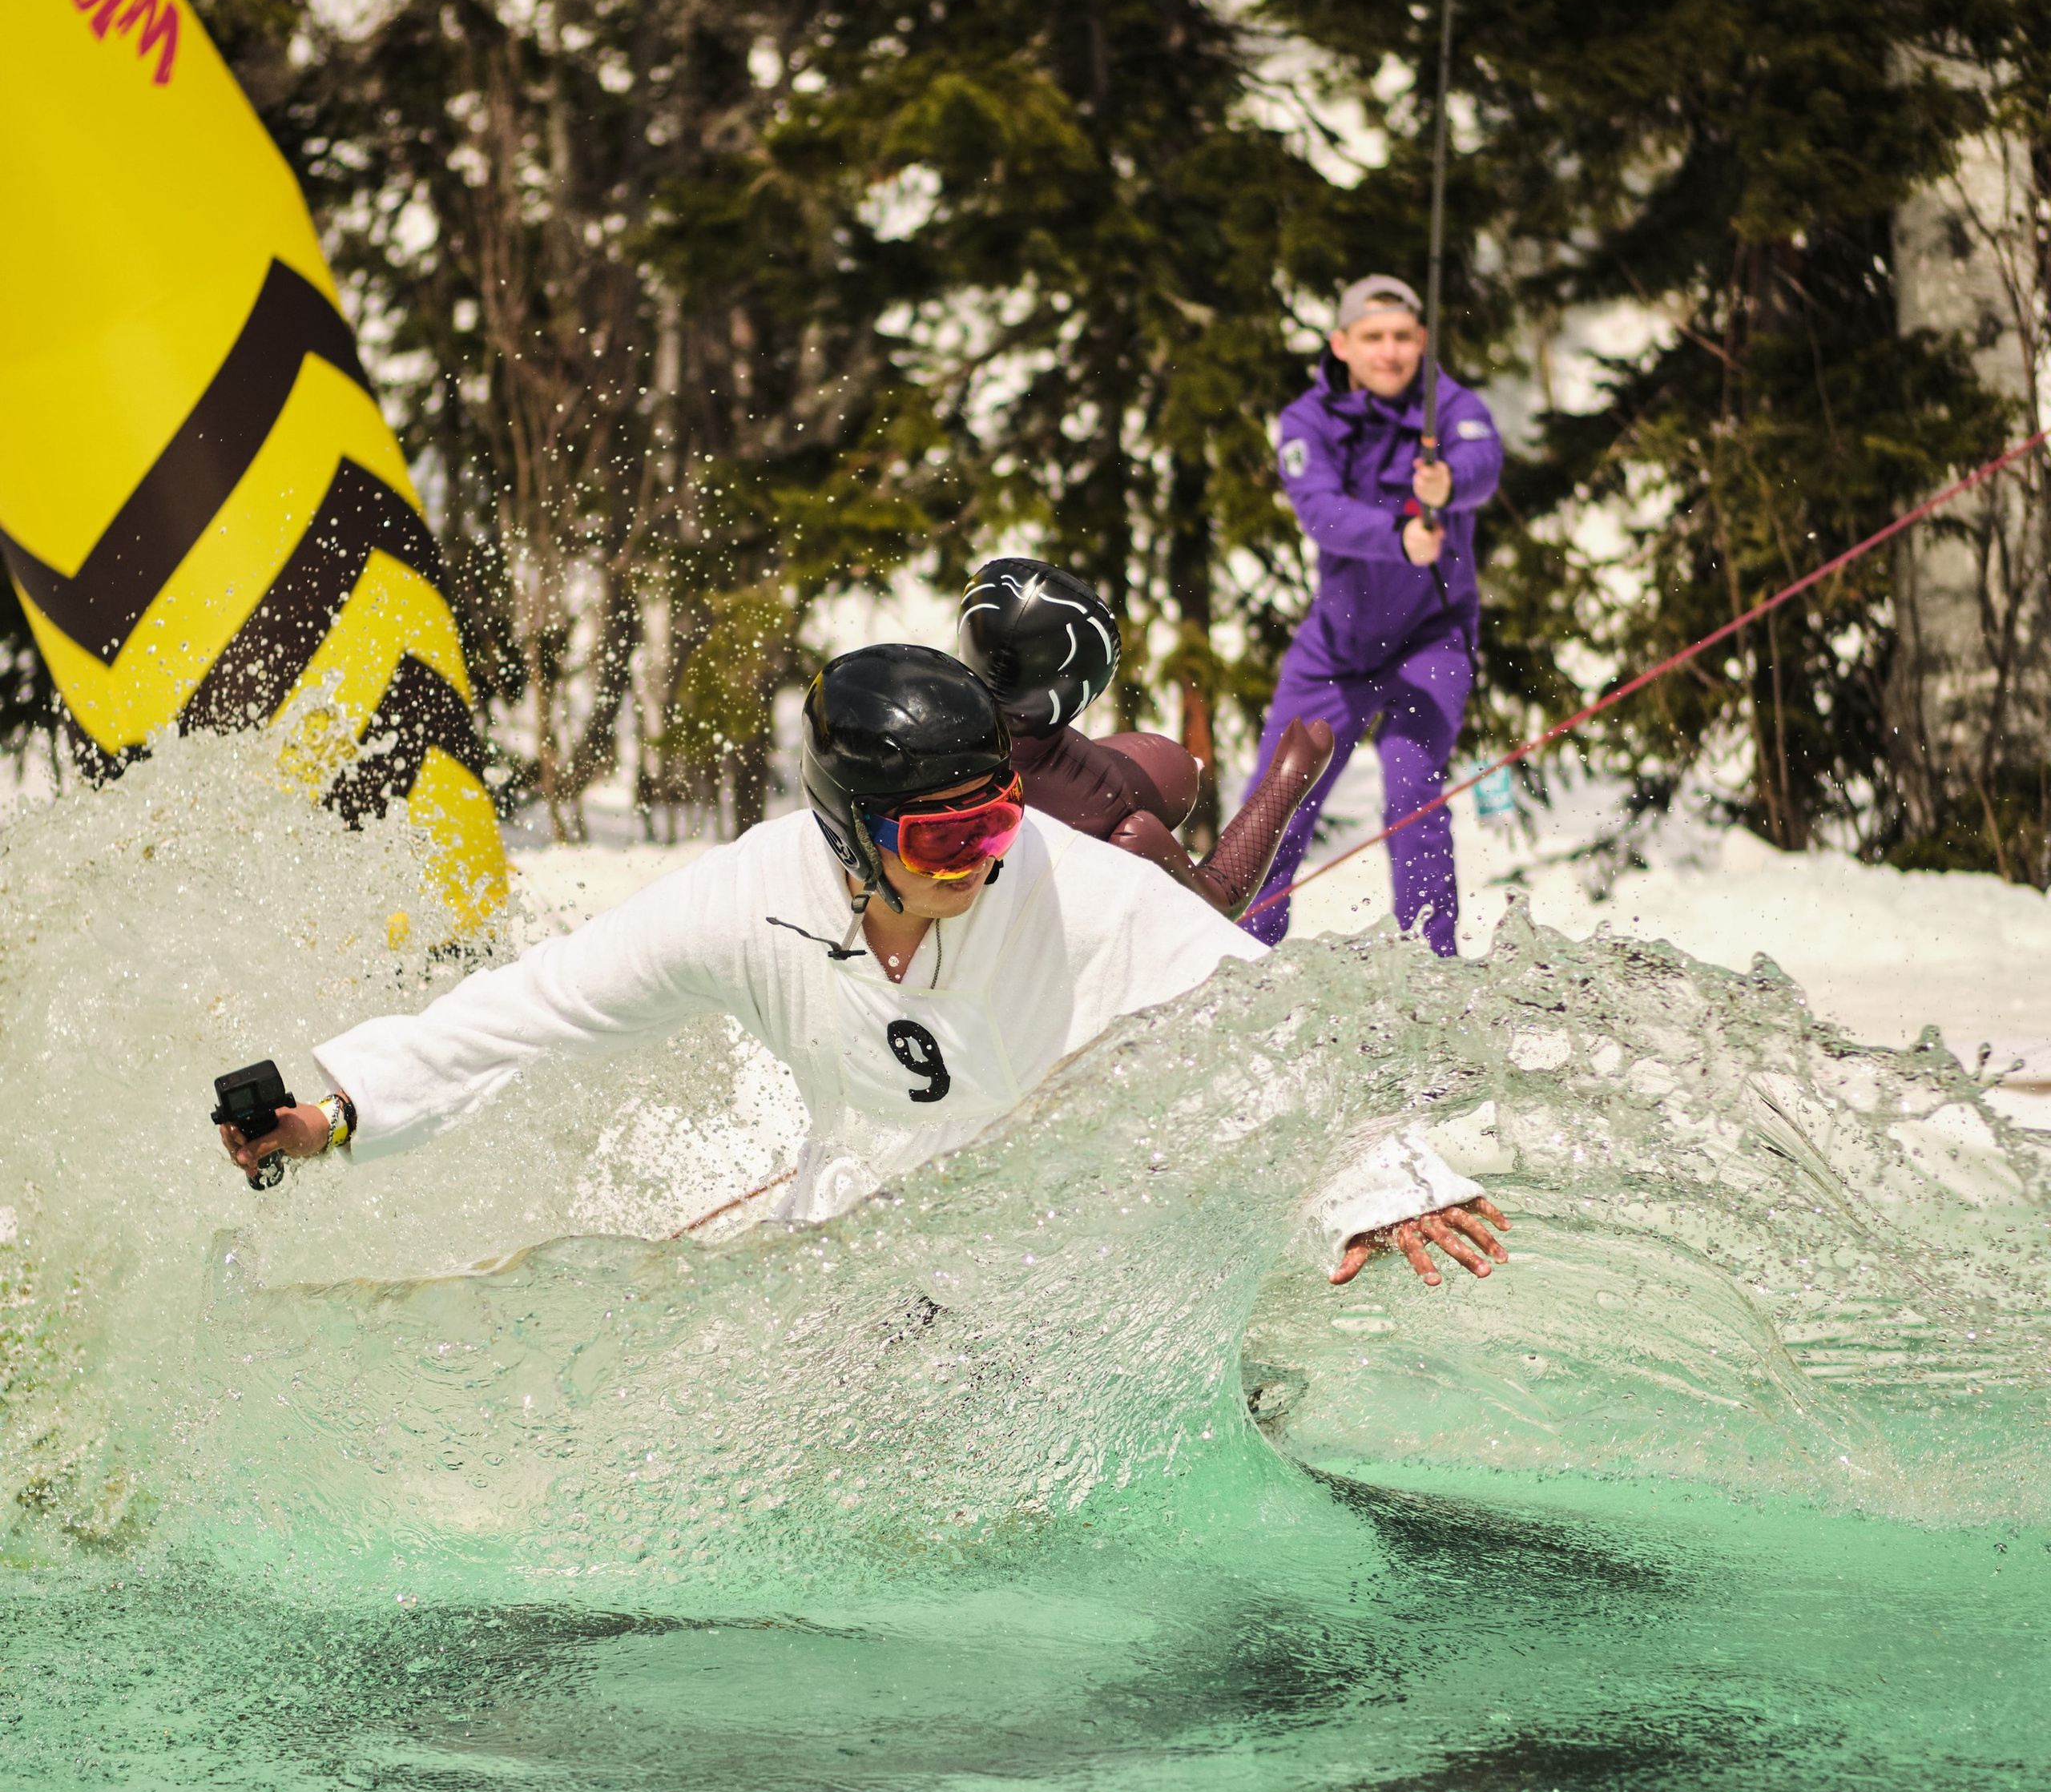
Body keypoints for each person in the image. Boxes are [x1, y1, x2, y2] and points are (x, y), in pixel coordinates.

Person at [220, 644, 1509, 1291]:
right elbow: (538, 1010)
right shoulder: (748, 898)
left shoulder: (1073, 892)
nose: (989, 857)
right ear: (849, 831)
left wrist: (1381, 1180)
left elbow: (1269, 1015)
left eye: (1000, 816)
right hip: (862, 1245)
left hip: (1076, 1243)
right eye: (949, 835)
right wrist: (338, 1115)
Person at [1245, 274, 1503, 948]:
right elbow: (1320, 513)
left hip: (1433, 638)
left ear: (1420, 341)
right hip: (1334, 649)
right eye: (1373, 338)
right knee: (1275, 804)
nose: (1389, 352)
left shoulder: (1449, 404)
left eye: (1401, 337)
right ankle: (1242, 951)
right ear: (1342, 344)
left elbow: (1484, 459)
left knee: (1411, 786)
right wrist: (1399, 539)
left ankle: (1430, 960)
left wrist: (1450, 482)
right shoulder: (1306, 419)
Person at [955, 558, 1334, 920]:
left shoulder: (940, 713)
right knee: (1166, 778)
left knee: (1167, 773)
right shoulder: (1106, 809)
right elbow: (1218, 900)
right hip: (1090, 829)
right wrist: (1288, 780)